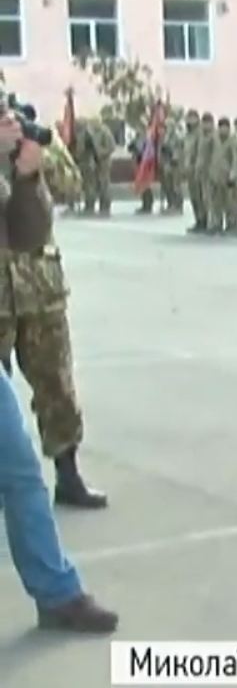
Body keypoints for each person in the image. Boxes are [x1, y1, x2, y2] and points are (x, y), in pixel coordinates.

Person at [0, 107, 119, 634]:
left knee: (21, 471)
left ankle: (57, 593)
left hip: (36, 296)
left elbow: (24, 234)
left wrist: (26, 177)